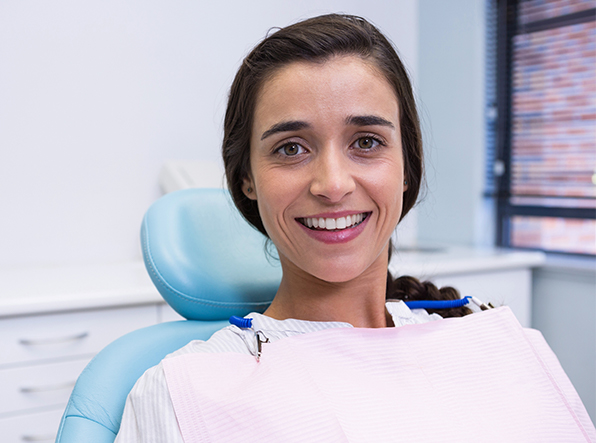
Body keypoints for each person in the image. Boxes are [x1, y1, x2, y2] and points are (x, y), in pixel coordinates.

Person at [115, 14, 593, 442]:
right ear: (247, 179)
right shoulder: (184, 393)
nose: (333, 184)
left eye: (366, 141)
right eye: (290, 148)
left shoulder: (492, 345)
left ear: (407, 166)